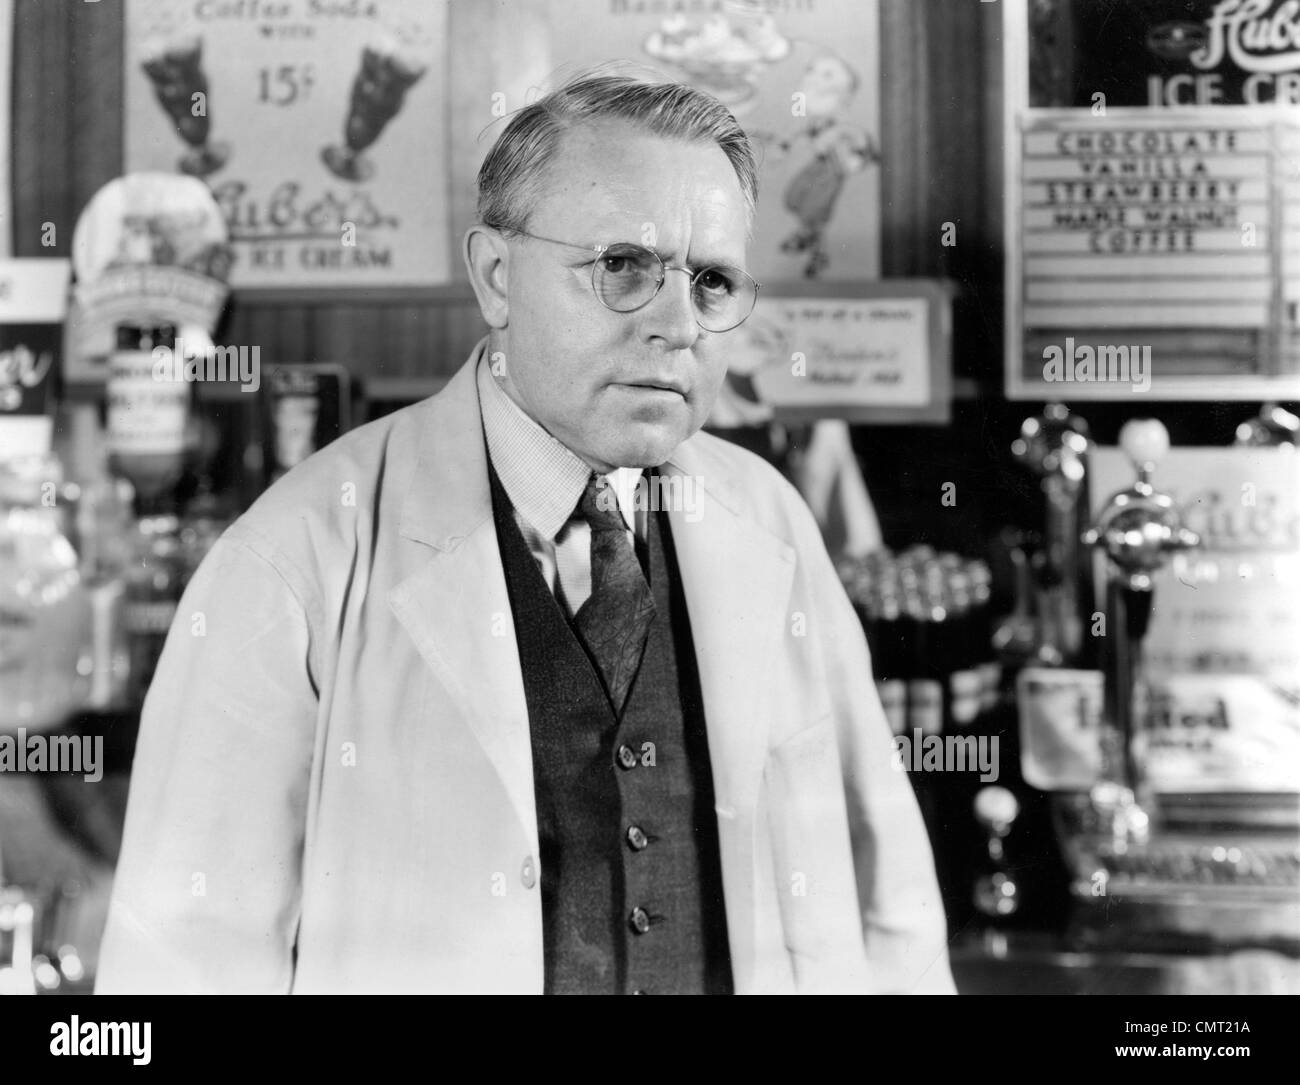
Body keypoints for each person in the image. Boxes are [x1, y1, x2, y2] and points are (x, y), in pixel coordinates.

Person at [96, 71, 953, 995]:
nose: (676, 326)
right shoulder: (293, 558)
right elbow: (181, 960)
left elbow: (888, 905)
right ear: (497, 277)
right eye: (624, 265)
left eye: (711, 282)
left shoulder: (770, 519)